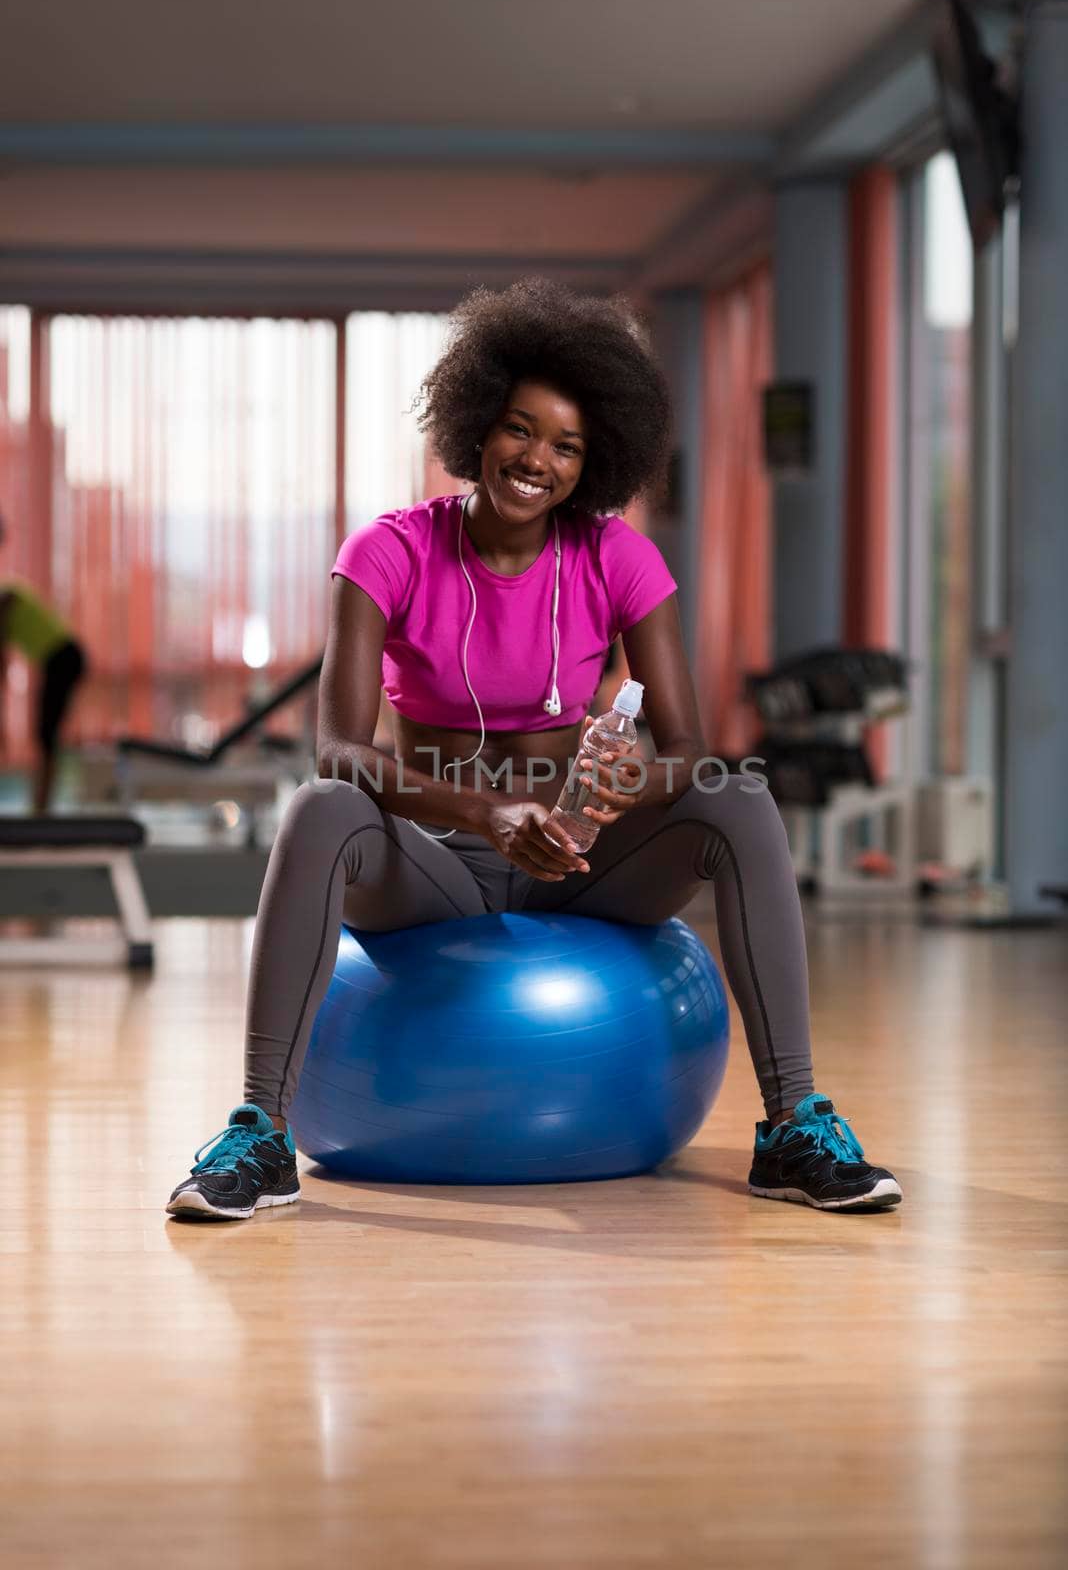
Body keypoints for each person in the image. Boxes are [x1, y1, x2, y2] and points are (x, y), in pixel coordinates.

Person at [167, 277, 901, 1221]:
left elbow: (687, 745)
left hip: (580, 856)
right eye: (520, 428)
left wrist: (630, 784)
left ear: (594, 465)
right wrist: (484, 811)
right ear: (476, 423)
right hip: (437, 863)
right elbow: (339, 750)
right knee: (320, 808)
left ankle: (794, 1125)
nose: (536, 460)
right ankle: (260, 1134)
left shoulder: (616, 556)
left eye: (567, 447)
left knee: (737, 794)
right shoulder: (388, 551)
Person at [0, 521, 87, 814]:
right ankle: (40, 804)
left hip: (64, 658)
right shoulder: (9, 592)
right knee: (45, 734)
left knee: (45, 734)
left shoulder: (7, 596)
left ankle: (41, 806)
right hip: (59, 659)